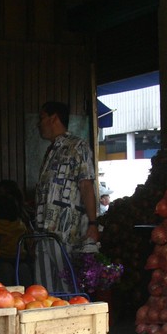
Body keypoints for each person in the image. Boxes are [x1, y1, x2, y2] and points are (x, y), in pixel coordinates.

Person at [34, 101, 99, 293]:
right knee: (44, 291)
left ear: (53, 118)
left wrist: (94, 224)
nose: (39, 124)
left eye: (42, 118)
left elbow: (86, 185)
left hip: (66, 234)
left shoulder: (78, 146)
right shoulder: (51, 151)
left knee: (69, 287)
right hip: (43, 233)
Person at [0, 193, 32, 286]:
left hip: (3, 259)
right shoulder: (21, 225)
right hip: (21, 259)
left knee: (5, 274)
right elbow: (29, 243)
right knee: (24, 271)